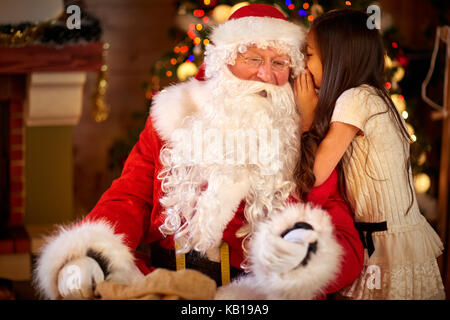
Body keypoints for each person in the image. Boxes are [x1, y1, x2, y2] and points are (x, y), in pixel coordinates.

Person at [34, 4, 364, 300]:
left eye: (279, 63)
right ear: (223, 62)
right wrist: (94, 253)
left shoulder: (302, 136)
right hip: (165, 284)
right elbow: (129, 196)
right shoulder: (174, 119)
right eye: (253, 60)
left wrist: (303, 253)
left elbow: (341, 236)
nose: (266, 75)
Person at [294, 9, 445, 299]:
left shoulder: (356, 98)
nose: (304, 64)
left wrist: (305, 119)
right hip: (385, 236)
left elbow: (315, 175)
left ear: (338, 57)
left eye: (310, 55)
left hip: (385, 244)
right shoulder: (372, 96)